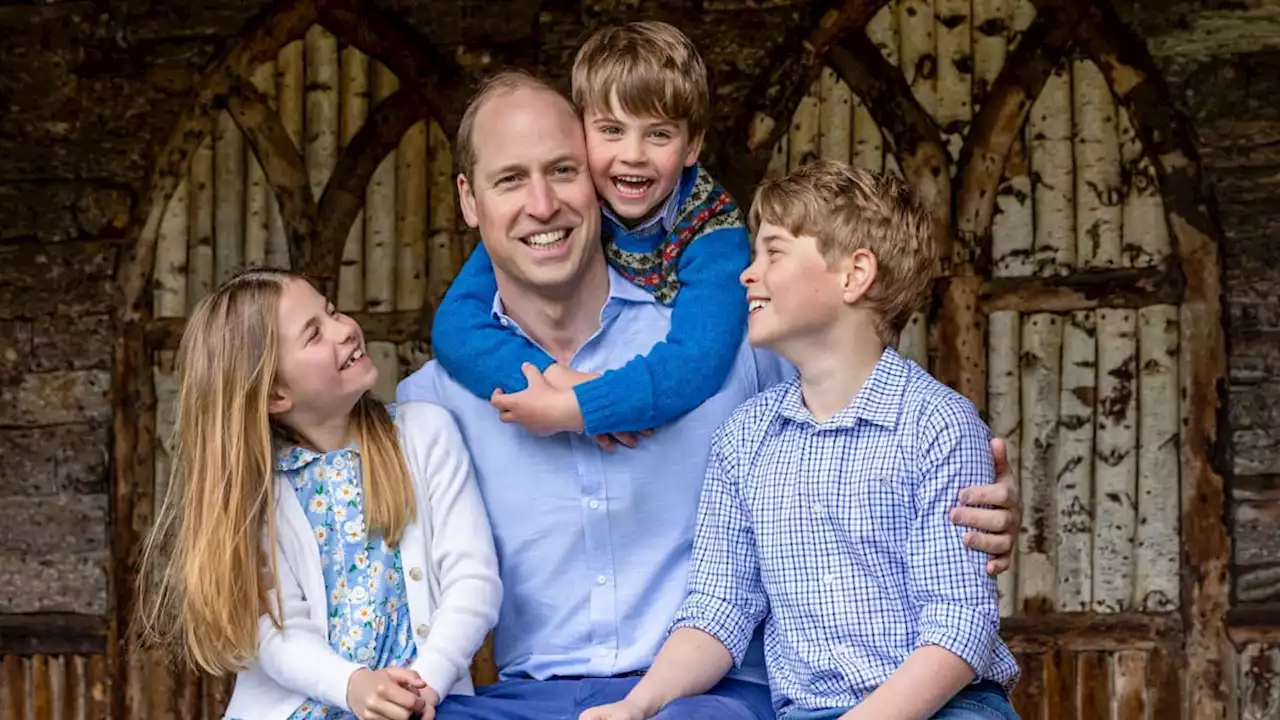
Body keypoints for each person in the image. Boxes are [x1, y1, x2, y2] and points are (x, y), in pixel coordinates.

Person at [396, 71, 1023, 720]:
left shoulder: (732, 349)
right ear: (469, 201)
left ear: (601, 181)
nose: (543, 204)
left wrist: (971, 509)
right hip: (528, 700)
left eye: (562, 170)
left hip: (715, 696)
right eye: (509, 180)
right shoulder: (431, 407)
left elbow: (861, 421)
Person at [580, 161, 1020, 720]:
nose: (748, 272)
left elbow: (960, 625)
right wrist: (637, 705)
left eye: (774, 252)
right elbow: (720, 608)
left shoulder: (937, 427)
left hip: (949, 706)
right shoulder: (744, 439)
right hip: (808, 709)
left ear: (854, 275)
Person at [133, 269, 502, 720]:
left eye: (331, 311)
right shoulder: (255, 495)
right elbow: (273, 631)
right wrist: (352, 686)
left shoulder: (425, 434)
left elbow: (473, 581)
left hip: (426, 704)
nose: (345, 328)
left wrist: (425, 685)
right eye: (314, 334)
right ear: (274, 394)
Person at [429, 21, 750, 444]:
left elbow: (699, 360)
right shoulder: (576, 203)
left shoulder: (714, 230)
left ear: (692, 147)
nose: (632, 155)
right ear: (581, 133)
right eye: (612, 131)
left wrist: (586, 407)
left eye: (658, 134)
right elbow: (455, 327)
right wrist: (550, 380)